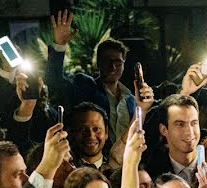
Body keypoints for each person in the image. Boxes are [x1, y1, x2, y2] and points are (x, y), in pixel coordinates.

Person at [47, 10, 154, 145]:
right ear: (98, 63)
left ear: (124, 64)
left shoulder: (131, 99)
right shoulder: (85, 87)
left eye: (118, 62)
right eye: (107, 61)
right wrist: (59, 44)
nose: (113, 67)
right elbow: (54, 82)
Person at [67, 102, 111, 170]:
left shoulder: (117, 171)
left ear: (106, 132)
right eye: (83, 129)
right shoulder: (64, 170)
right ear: (73, 133)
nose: (91, 135)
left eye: (96, 129)